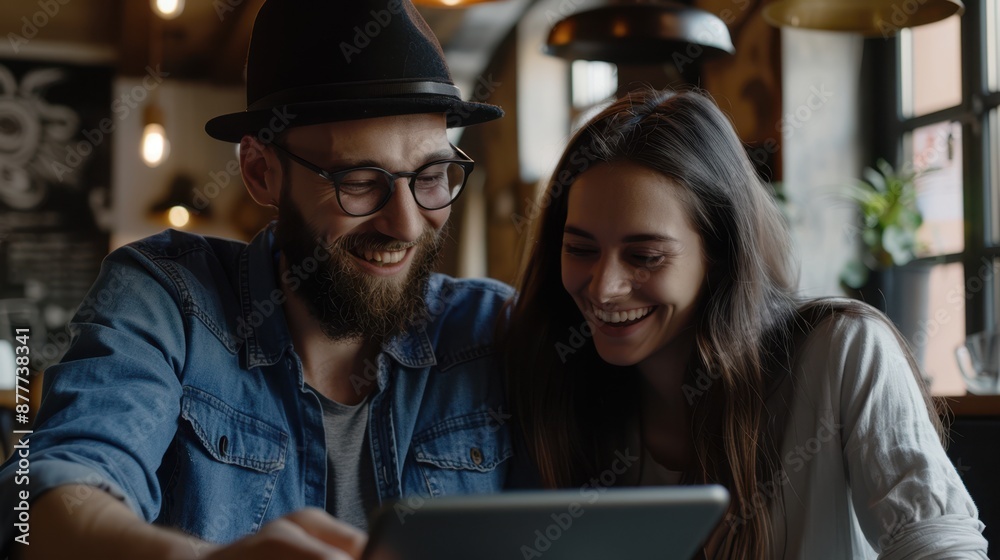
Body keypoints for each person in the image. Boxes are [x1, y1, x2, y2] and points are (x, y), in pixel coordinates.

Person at [0, 1, 514, 558]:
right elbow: (41, 498)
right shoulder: (168, 301)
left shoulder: (493, 332)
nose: (407, 223)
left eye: (433, 176)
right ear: (260, 171)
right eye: (361, 181)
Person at [504, 88, 989, 558]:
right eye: (581, 249)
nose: (604, 286)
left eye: (645, 256)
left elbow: (942, 546)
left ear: (720, 254)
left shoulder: (844, 351)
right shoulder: (564, 390)